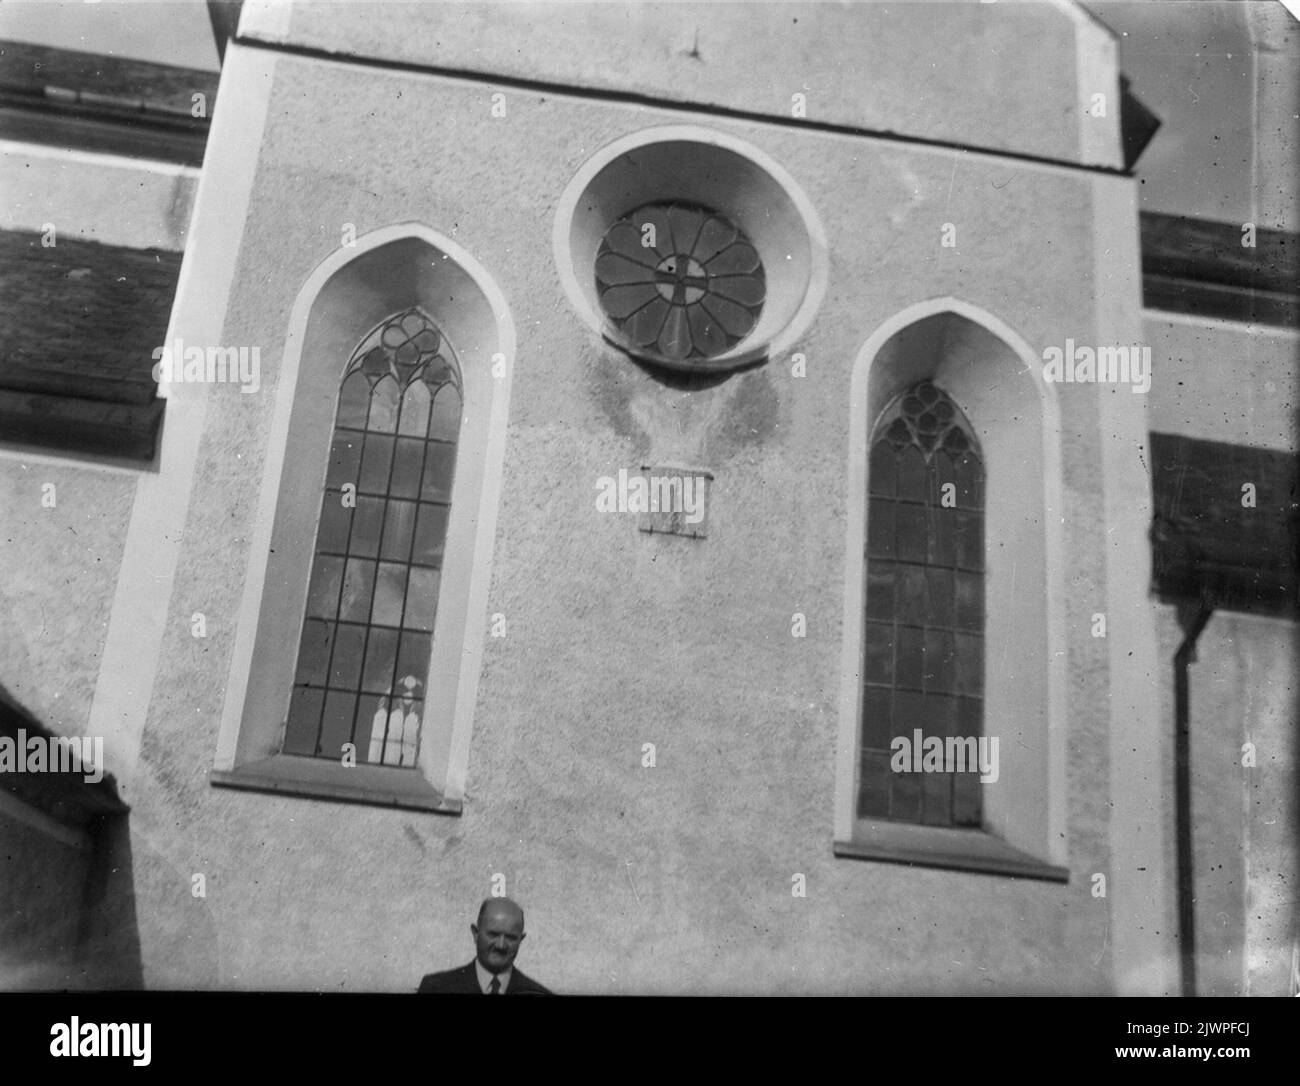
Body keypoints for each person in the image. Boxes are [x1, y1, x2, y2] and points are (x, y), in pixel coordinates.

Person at [417, 897, 551, 994]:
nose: (501, 945)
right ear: (475, 933)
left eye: (511, 937)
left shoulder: (540, 993)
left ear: (521, 940)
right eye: (493, 934)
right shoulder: (435, 987)